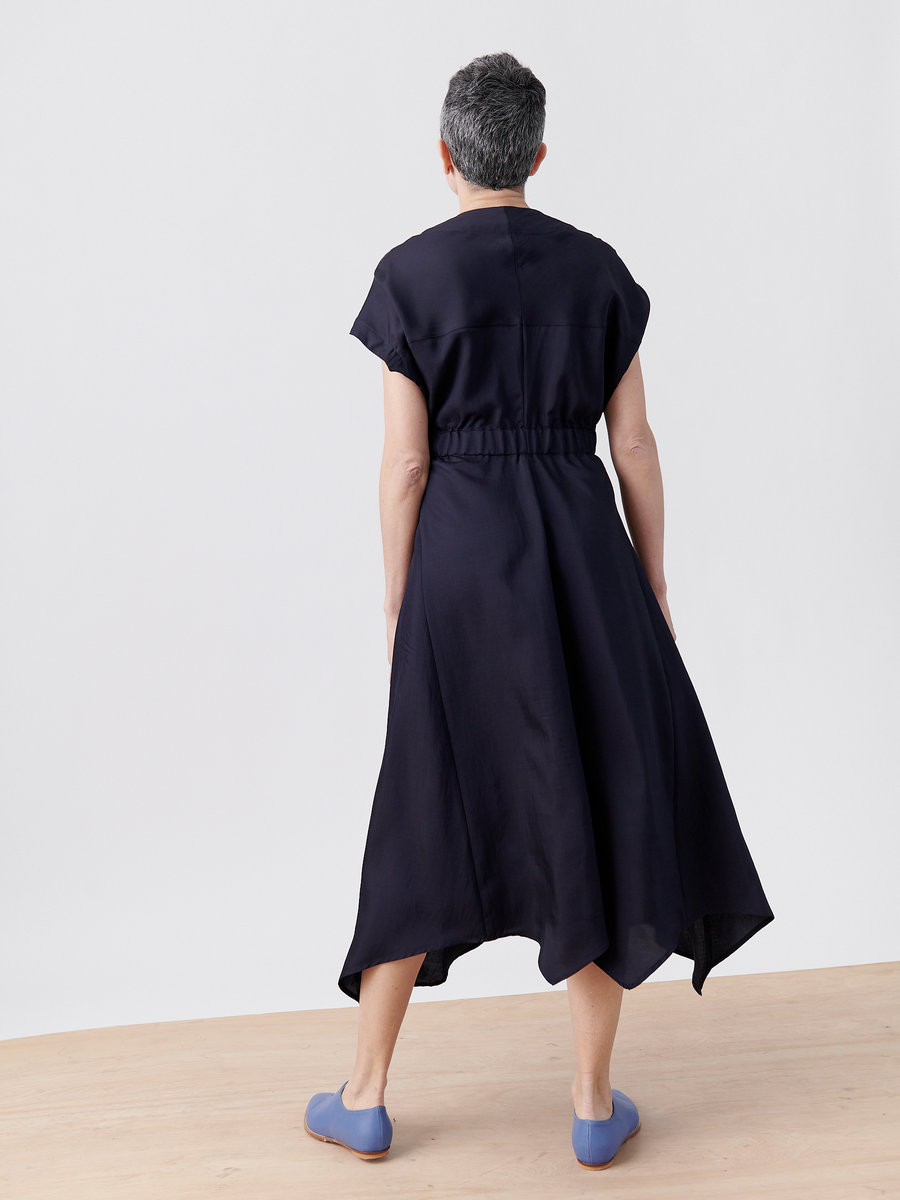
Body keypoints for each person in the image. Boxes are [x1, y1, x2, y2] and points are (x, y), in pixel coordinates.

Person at [304, 52, 774, 1171]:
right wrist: (651, 579)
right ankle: (591, 1104)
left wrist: (397, 591)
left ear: (445, 155)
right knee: (599, 806)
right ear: (540, 155)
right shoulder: (599, 272)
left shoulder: (410, 276)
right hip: (581, 552)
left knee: (424, 807)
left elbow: (404, 468)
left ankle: (365, 1095)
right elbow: (638, 447)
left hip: (460, 563)